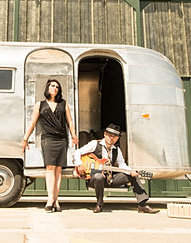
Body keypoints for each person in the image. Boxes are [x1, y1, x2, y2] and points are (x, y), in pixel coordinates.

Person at [72, 124, 159, 213]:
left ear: (117, 138)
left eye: (114, 137)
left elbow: (122, 165)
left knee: (132, 175)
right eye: (109, 135)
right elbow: (77, 152)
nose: (111, 138)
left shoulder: (116, 150)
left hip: (109, 179)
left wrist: (131, 171)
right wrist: (79, 164)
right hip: (93, 179)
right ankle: (99, 205)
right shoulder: (95, 144)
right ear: (105, 134)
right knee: (99, 176)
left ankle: (142, 205)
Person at [22, 79, 78, 212]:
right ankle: (50, 199)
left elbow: (70, 122)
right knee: (50, 168)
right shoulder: (40, 105)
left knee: (58, 169)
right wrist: (25, 139)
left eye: (57, 87)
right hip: (48, 139)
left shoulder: (63, 104)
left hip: (61, 139)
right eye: (52, 86)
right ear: (47, 88)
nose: (55, 88)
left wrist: (74, 136)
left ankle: (56, 200)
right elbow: (33, 123)